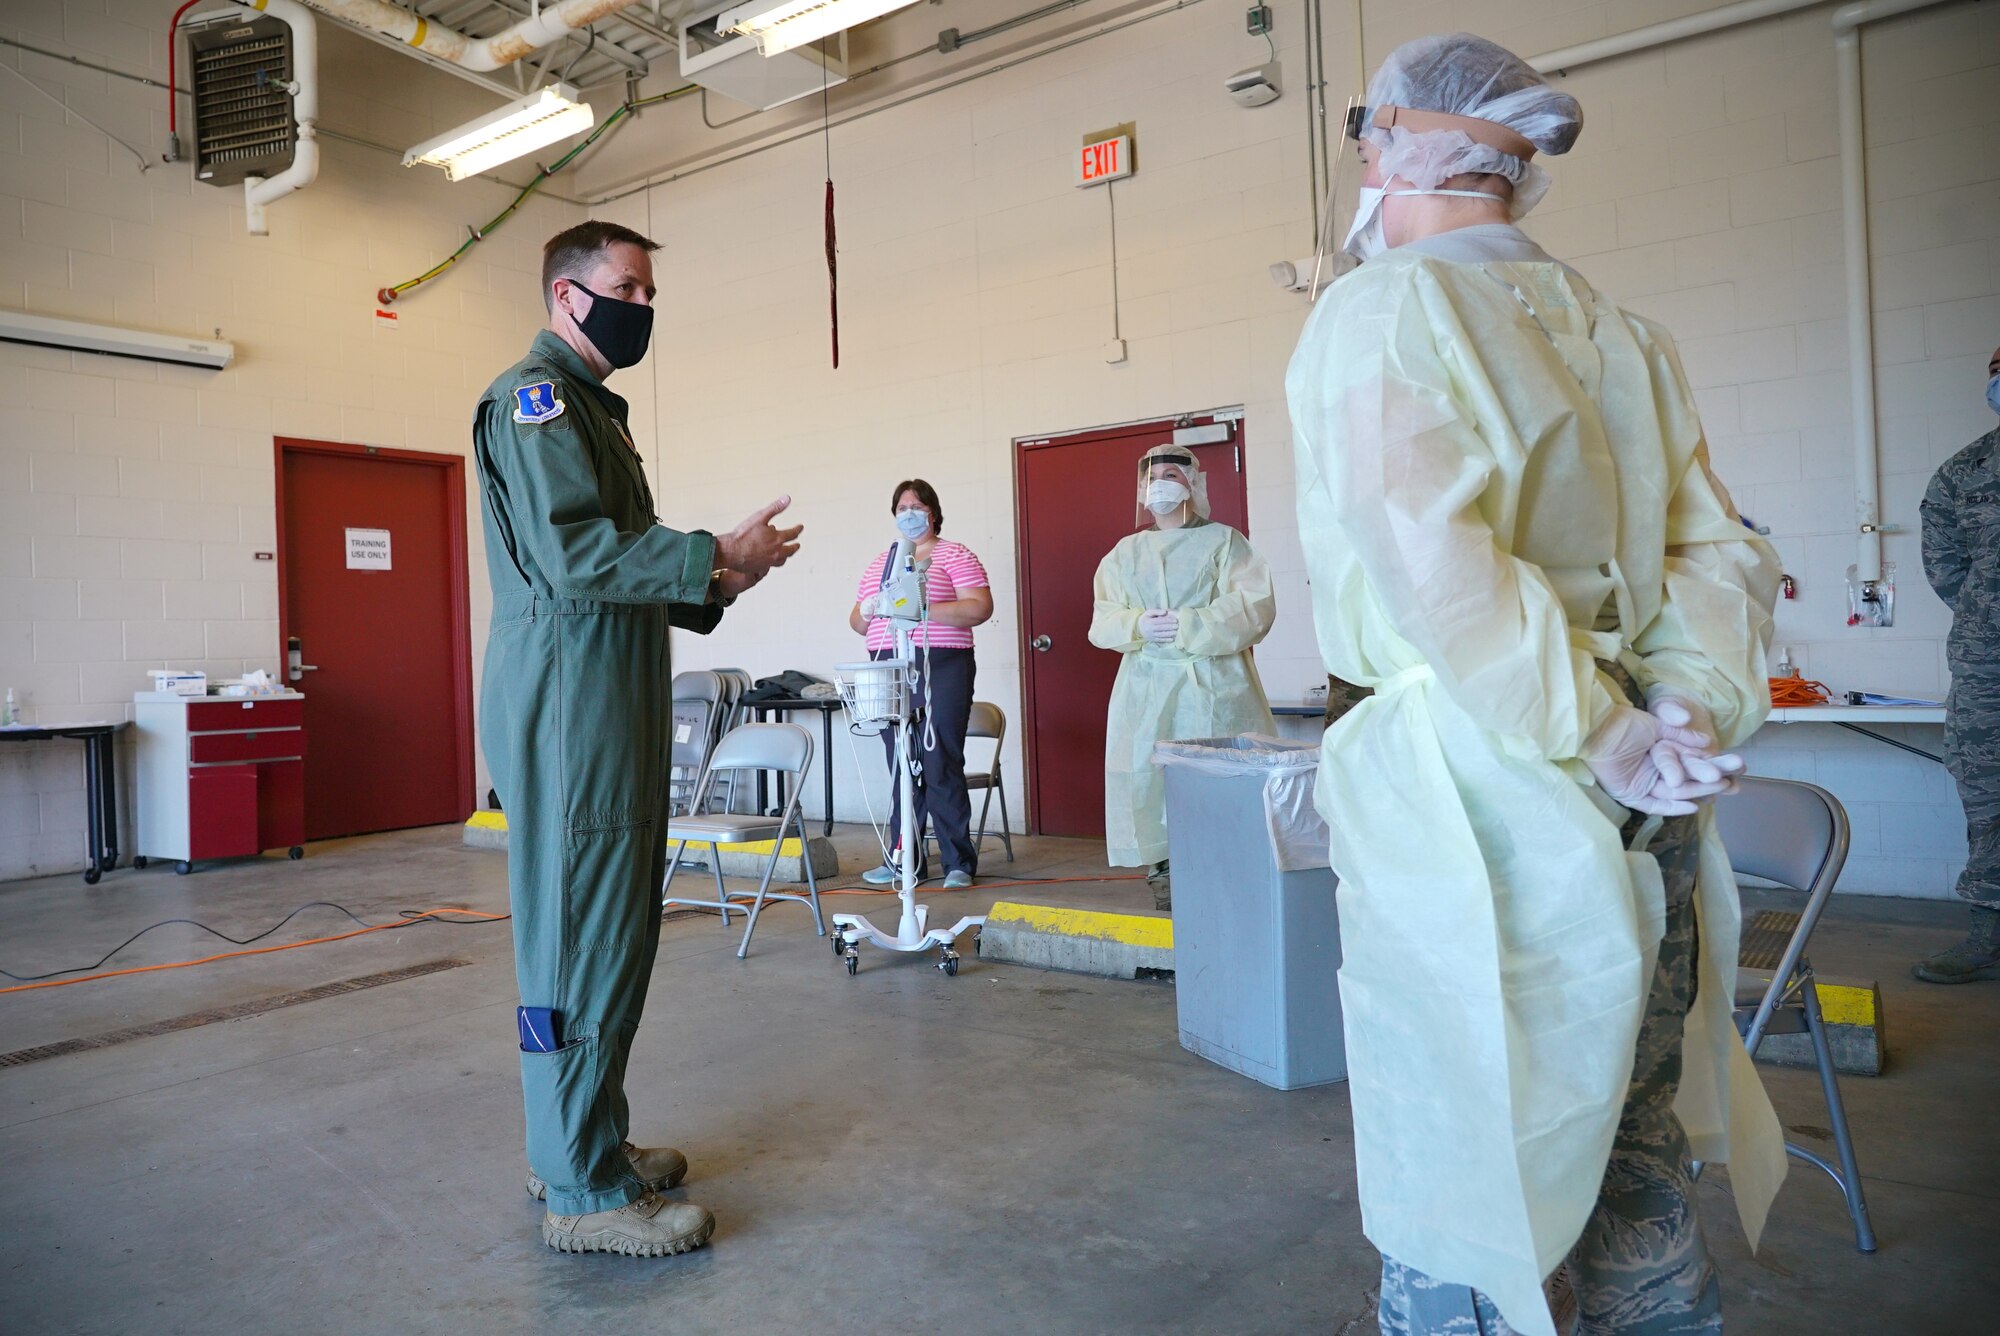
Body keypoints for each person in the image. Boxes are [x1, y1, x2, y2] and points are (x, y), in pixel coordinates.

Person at [1285, 34, 1789, 1335]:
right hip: (1645, 793)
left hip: (1475, 787)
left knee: (1465, 1149)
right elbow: (1716, 547)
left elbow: (1429, 562)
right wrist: (1674, 712)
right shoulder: (1619, 330)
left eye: (1364, 136)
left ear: (1398, 143)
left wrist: (1589, 732)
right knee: (1628, 1126)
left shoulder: (1384, 310)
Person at [475, 220, 802, 1257]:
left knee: (608, 934)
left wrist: (720, 576)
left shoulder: (590, 415)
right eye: (628, 287)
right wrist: (707, 551)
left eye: (651, 292)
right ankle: (581, 1189)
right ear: (567, 295)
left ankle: (584, 1138)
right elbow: (575, 555)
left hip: (604, 696)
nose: (643, 308)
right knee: (581, 936)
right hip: (573, 708)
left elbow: (620, 560)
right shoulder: (534, 402)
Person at [1089, 445, 1276, 908]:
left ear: (1194, 484)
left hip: (1214, 683)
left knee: (1218, 779)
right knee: (1150, 782)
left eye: (1172, 474)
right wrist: (1137, 625)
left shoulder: (1225, 542)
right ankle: (1166, 882)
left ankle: (1230, 883)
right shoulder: (1123, 553)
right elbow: (1102, 618)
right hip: (1146, 688)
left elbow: (1255, 604)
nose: (1161, 483)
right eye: (1153, 476)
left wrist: (1192, 625)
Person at [848, 480, 994, 888]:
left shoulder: (954, 554)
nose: (909, 512)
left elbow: (980, 607)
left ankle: (957, 862)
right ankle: (902, 860)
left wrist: (924, 605)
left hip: (942, 664)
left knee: (938, 758)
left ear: (933, 512)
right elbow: (858, 622)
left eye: (917, 505)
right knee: (901, 765)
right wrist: (870, 608)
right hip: (888, 666)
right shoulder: (883, 561)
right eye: (901, 506)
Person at [1913, 344, 2000, 984]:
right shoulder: (1963, 473)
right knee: (1988, 797)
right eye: (1995, 370)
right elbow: (1946, 572)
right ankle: (1987, 936)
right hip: (1988, 669)